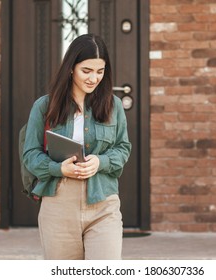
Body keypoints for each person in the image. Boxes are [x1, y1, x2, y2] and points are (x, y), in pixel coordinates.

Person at [23, 34, 132, 260]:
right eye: (87, 71)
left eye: (100, 72)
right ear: (71, 68)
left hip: (103, 204)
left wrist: (100, 162)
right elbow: (30, 155)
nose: (94, 78)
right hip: (58, 205)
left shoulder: (114, 106)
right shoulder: (44, 106)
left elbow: (123, 148)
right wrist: (59, 169)